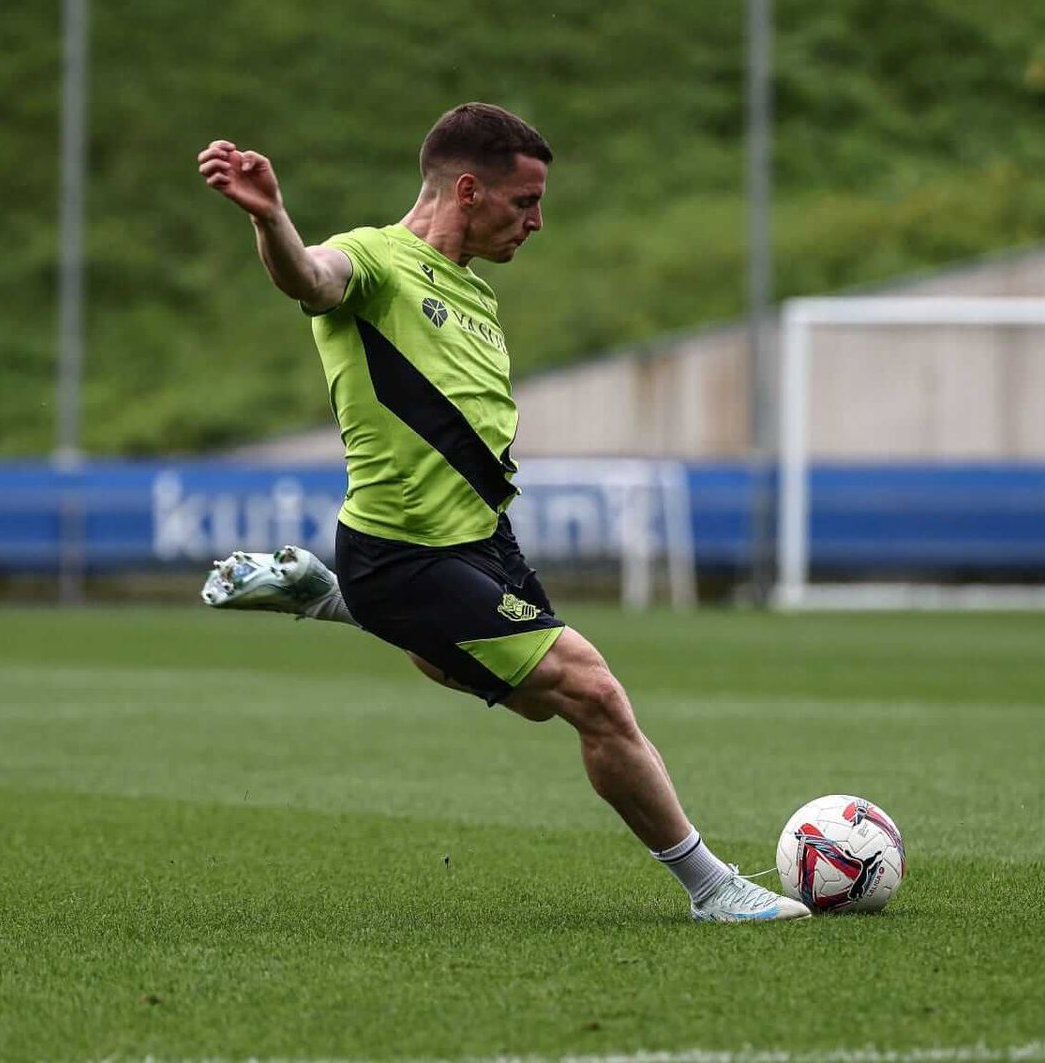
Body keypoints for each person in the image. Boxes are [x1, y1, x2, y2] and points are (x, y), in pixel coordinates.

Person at [195, 103, 807, 921]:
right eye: (526, 202)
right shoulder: (376, 260)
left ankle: (331, 597)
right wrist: (271, 218)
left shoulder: (476, 294)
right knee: (593, 693)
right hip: (405, 553)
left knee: (532, 701)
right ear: (468, 190)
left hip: (483, 539)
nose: (537, 222)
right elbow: (310, 275)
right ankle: (712, 888)